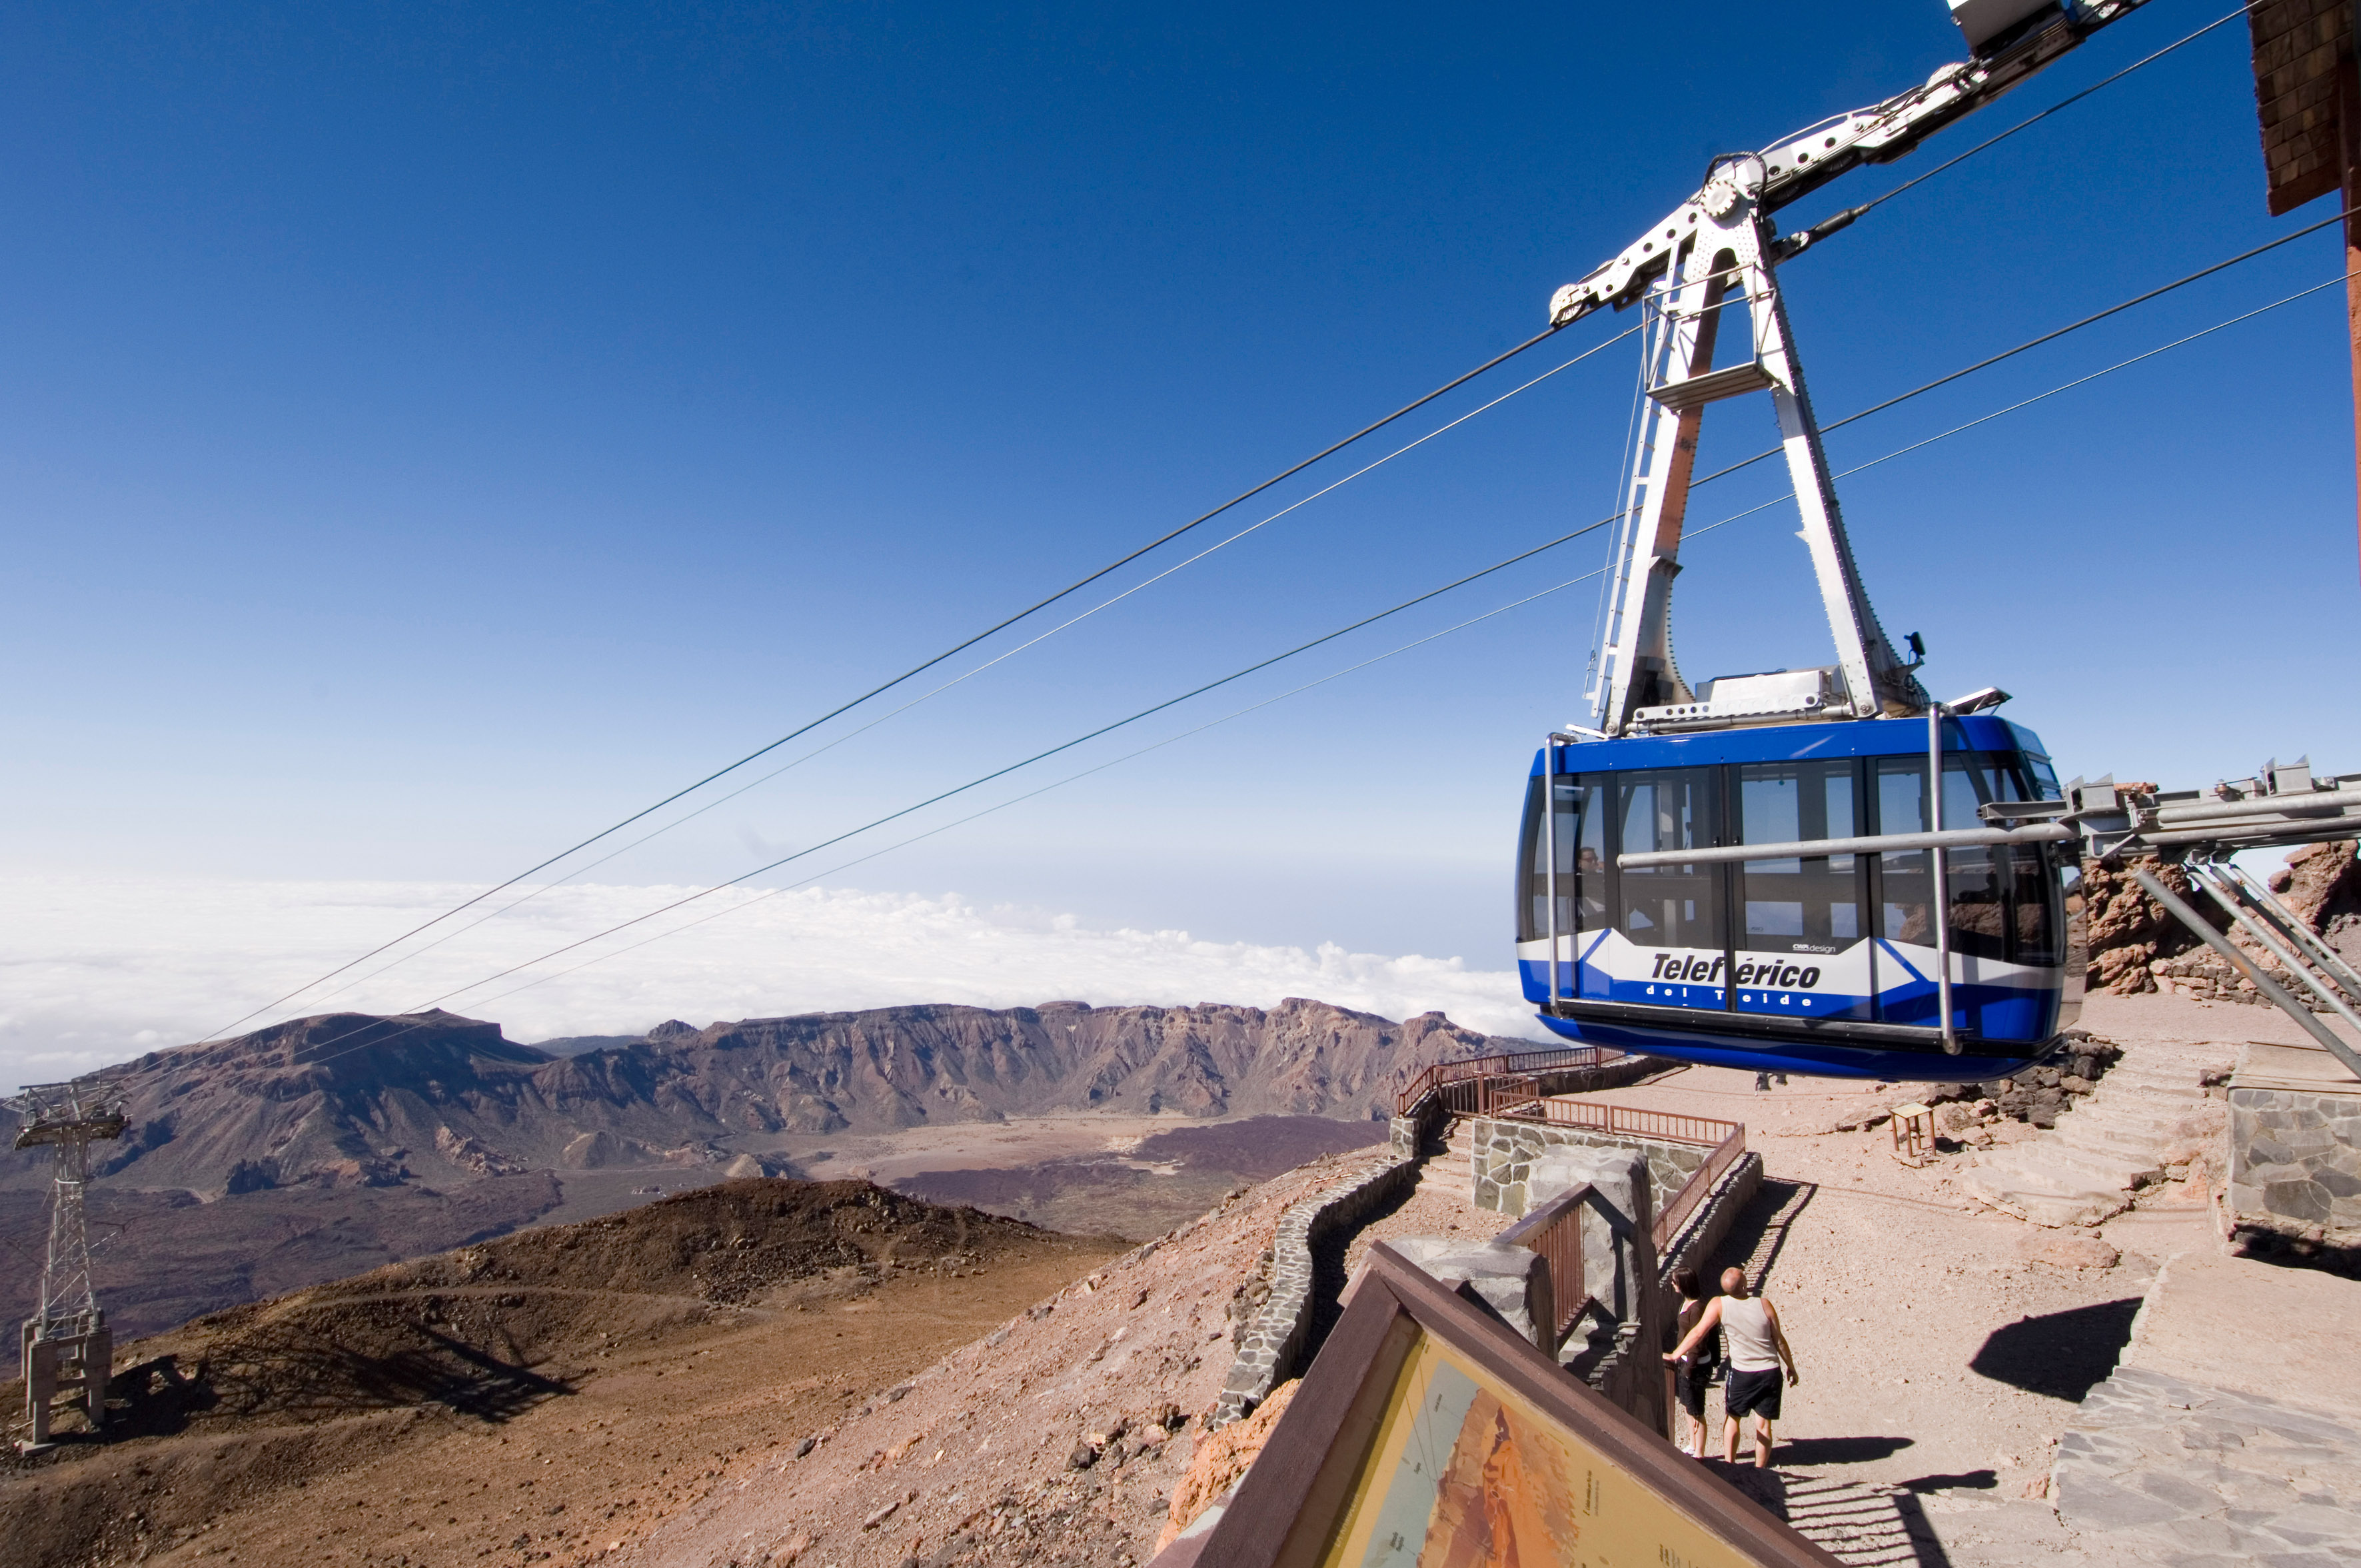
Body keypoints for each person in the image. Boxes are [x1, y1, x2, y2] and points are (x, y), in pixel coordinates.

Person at [1662, 1267, 1798, 1467]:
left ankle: (1730, 1464)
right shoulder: (1764, 1304)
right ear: (1745, 1285)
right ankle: (1760, 1470)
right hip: (1770, 1371)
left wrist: (1675, 1354)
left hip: (1743, 1372)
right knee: (1763, 1425)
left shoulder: (1719, 1304)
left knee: (1733, 1418)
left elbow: (1698, 1333)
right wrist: (1791, 1367)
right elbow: (1779, 1341)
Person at [1665, 1267, 1720, 1459]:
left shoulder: (1697, 1309)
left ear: (1683, 1284)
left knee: (1697, 1410)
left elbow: (1699, 1341)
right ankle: (1692, 1444)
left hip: (1694, 1366)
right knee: (1688, 1406)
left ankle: (1700, 1452)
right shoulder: (1687, 1304)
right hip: (1687, 1362)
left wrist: (1688, 1369)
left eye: (1674, 1281)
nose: (1672, 1284)